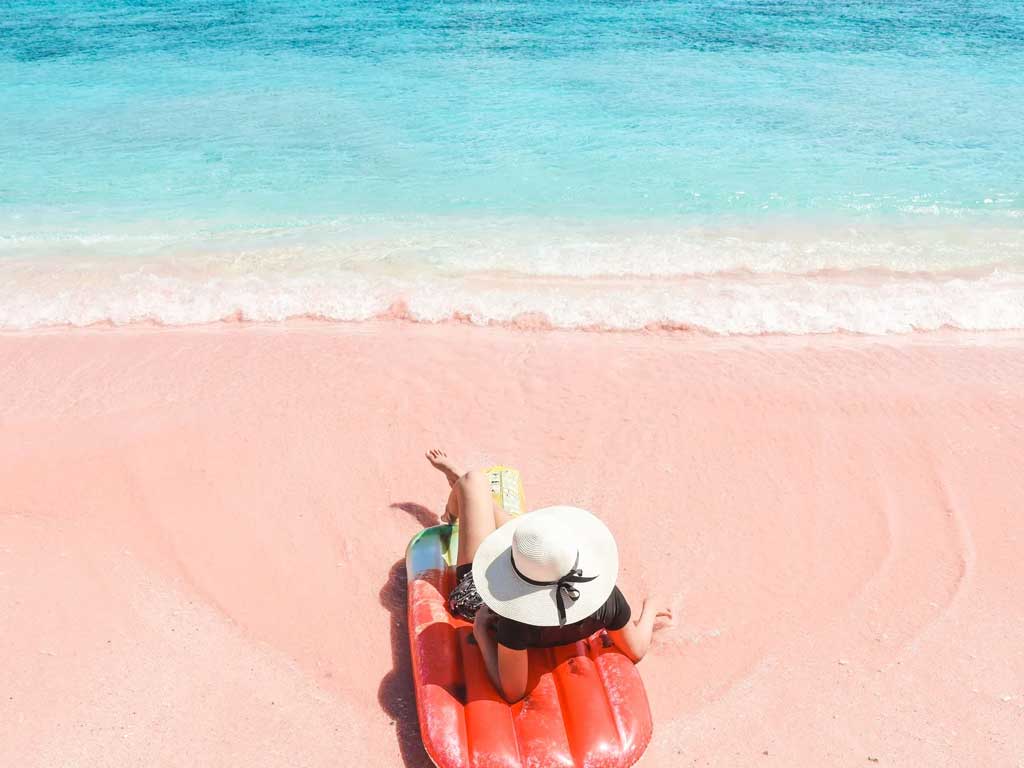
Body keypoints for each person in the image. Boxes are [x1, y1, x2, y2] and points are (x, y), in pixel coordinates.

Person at [426, 449, 673, 703]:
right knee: (533, 540)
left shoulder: (515, 613)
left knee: (472, 481)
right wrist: (650, 608)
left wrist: (479, 630)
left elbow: (512, 692)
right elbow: (636, 649)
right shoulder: (605, 597)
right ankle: (471, 501)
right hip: (530, 575)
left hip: (483, 598)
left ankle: (454, 508)